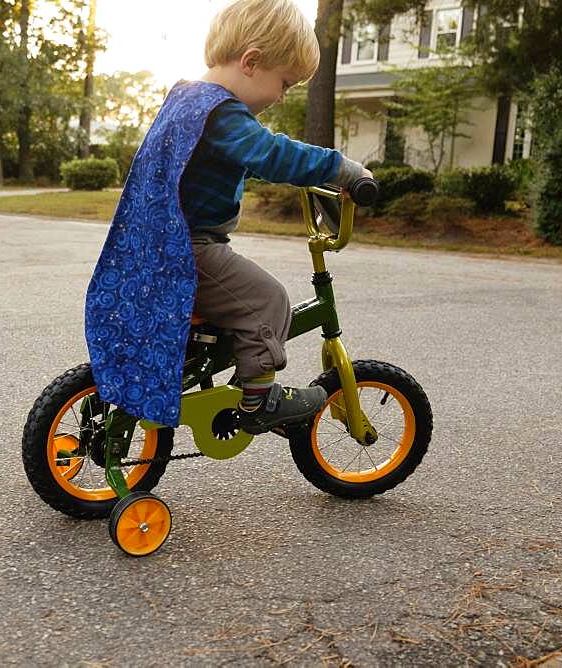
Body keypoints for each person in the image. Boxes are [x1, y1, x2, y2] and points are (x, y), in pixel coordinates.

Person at [85, 0, 371, 434]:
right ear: (252, 62)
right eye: (285, 83)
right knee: (266, 301)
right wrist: (341, 169)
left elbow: (247, 158)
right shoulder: (219, 111)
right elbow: (269, 153)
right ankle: (259, 400)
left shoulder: (187, 98)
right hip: (190, 249)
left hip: (160, 245)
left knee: (241, 303)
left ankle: (231, 379)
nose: (281, 96)